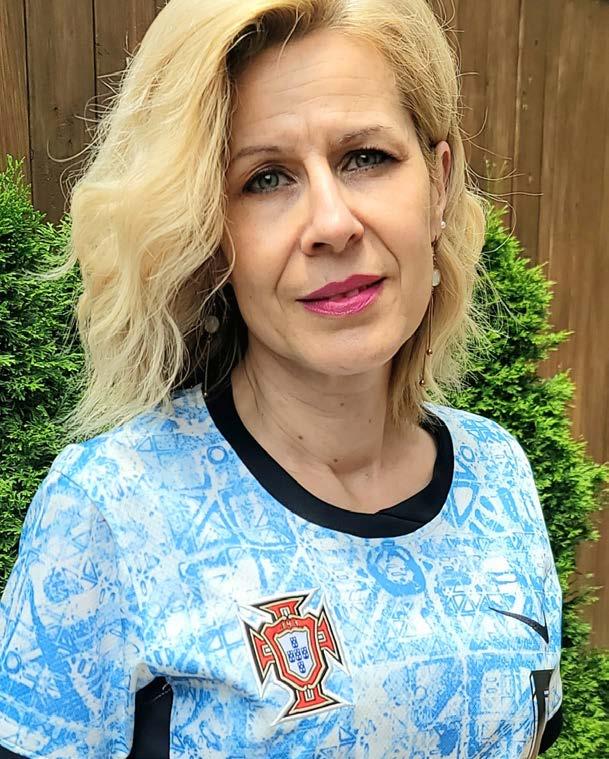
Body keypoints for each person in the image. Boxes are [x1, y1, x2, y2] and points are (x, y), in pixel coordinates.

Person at [0, 0, 563, 756]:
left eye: (365, 157)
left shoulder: (497, 473)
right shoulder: (112, 509)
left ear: (438, 184)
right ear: (209, 232)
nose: (331, 223)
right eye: (266, 178)